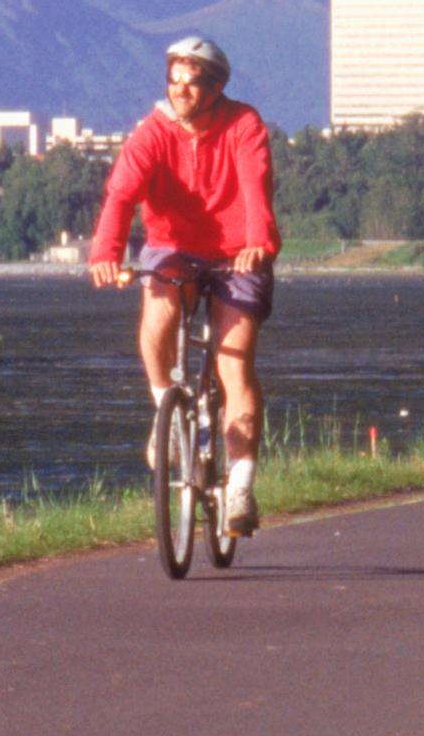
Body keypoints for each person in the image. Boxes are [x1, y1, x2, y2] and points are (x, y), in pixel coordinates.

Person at [88, 33, 280, 534]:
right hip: (173, 246)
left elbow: (256, 184)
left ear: (215, 88)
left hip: (239, 249)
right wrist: (106, 254)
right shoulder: (151, 133)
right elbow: (121, 195)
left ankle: (239, 487)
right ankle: (167, 413)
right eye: (173, 81)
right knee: (158, 311)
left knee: (233, 363)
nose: (180, 91)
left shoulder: (243, 124)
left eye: (192, 84)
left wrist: (259, 241)